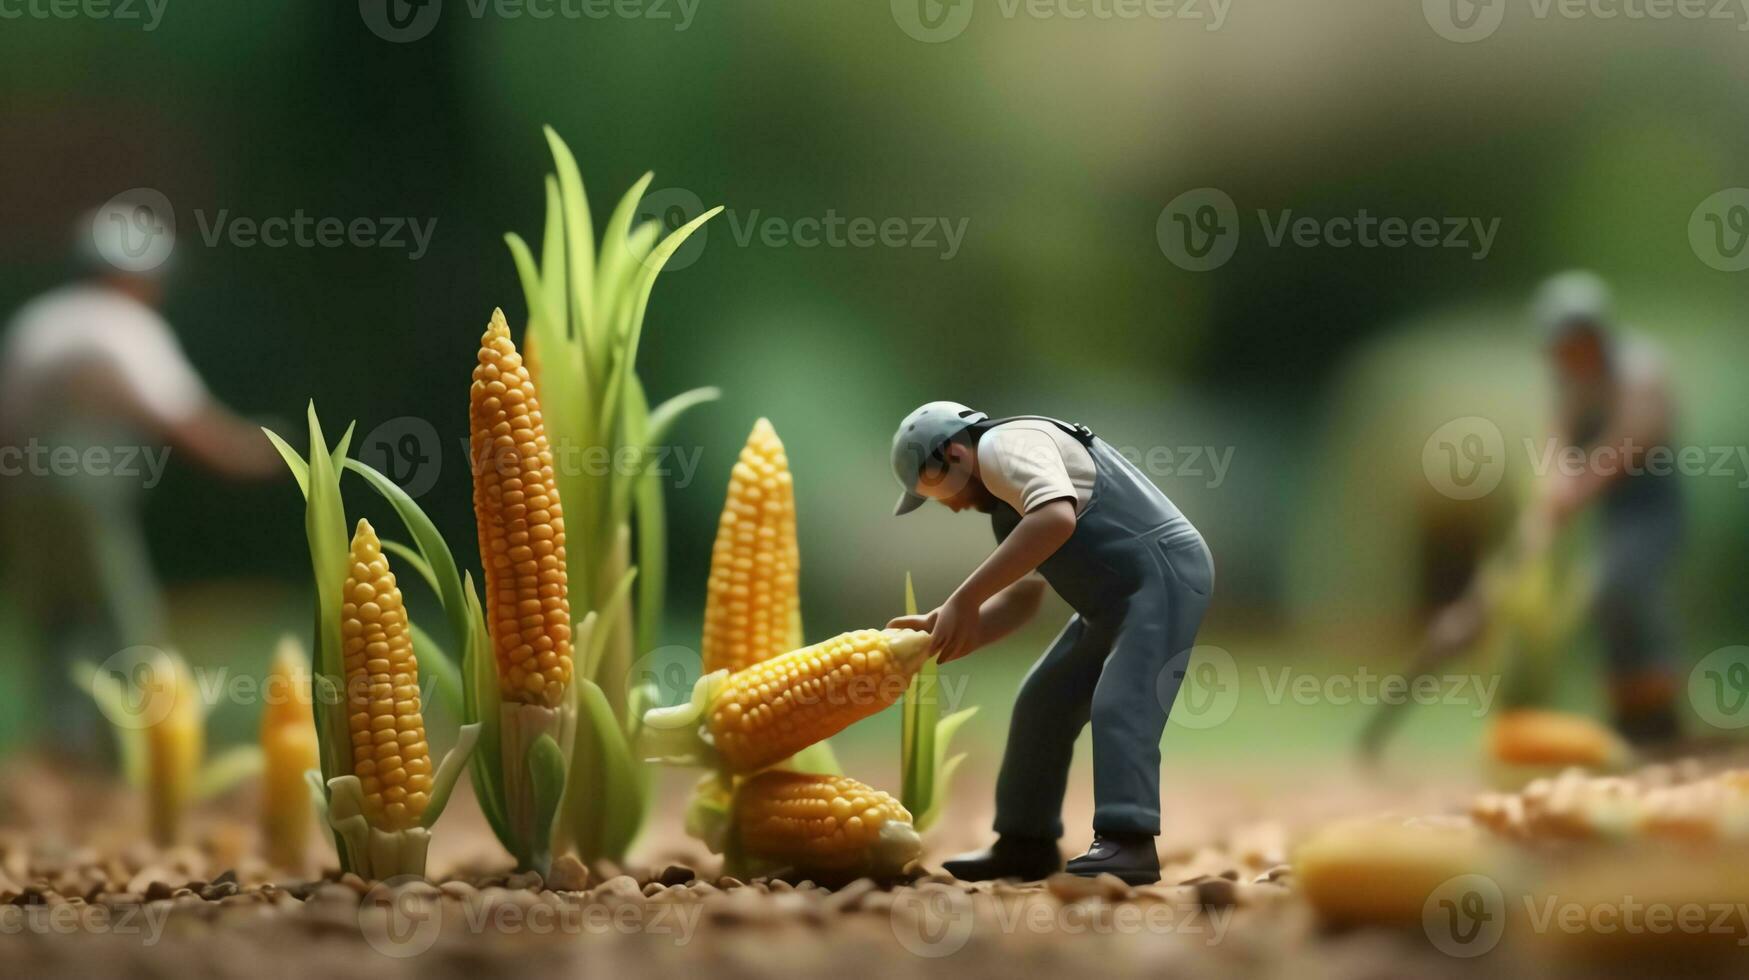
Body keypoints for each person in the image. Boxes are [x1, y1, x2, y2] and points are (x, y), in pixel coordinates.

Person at [887, 402, 1214, 884]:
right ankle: (1025, 841)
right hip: (1113, 602)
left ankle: (1129, 841)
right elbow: (1022, 601)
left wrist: (963, 598)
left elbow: (1057, 520)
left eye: (936, 492)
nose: (950, 506)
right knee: (1042, 702)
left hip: (1160, 575)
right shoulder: (1009, 502)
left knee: (1122, 702)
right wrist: (954, 630)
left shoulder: (1007, 446)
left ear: (956, 454)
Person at [0, 207, 281, 751]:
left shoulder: (41, 319)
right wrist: (249, 452)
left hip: (24, 489)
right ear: (132, 275)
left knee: (55, 617)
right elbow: (178, 414)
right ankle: (128, 750)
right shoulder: (124, 325)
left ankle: (63, 745)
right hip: (85, 486)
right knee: (121, 615)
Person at [1517, 270, 1684, 743]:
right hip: (1611, 509)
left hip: (1653, 503)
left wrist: (1576, 489)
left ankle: (1660, 703)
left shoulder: (1640, 369)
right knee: (1604, 602)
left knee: (1624, 586)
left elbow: (1627, 444)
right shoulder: (1570, 381)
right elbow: (1557, 441)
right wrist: (1547, 498)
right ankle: (1629, 712)